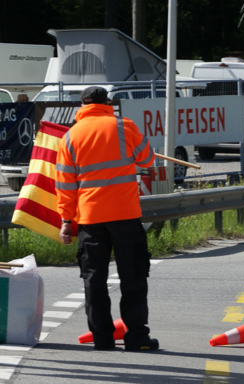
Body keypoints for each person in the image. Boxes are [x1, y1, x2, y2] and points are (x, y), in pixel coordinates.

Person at [55, 86, 159, 351]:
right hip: (125, 215)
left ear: (82, 105)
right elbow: (147, 158)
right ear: (108, 103)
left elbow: (65, 185)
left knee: (94, 280)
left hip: (91, 218)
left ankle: (102, 338)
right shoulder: (125, 126)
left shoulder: (70, 137)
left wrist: (67, 220)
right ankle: (136, 337)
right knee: (133, 277)